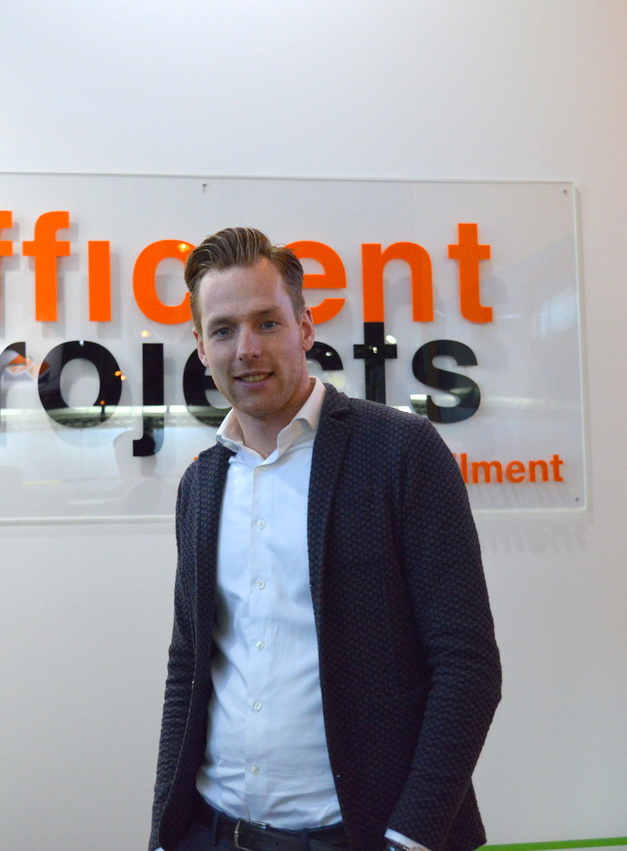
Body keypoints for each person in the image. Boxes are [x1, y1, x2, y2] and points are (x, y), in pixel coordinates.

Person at [149, 227, 501, 851]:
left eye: (267, 323)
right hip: (215, 831)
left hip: (361, 838)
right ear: (200, 346)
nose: (247, 349)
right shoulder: (200, 486)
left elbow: (467, 666)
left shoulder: (401, 452)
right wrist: (164, 832)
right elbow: (188, 666)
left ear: (305, 328)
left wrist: (411, 838)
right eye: (223, 330)